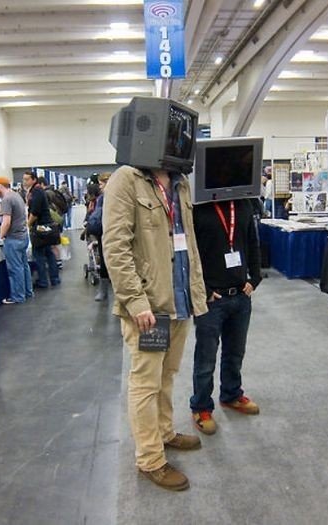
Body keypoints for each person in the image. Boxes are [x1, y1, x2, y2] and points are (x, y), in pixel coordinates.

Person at [103, 164, 208, 492]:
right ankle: (150, 458)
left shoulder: (180, 182)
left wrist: (196, 293)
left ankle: (164, 433)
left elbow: (188, 243)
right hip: (151, 308)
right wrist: (136, 302)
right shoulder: (127, 179)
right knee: (146, 383)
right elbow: (116, 247)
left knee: (167, 375)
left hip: (179, 302)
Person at [189, 198, 262, 435]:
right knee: (206, 358)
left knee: (235, 352)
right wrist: (203, 290)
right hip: (212, 299)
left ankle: (231, 394)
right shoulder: (197, 206)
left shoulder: (243, 204)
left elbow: (253, 241)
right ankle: (201, 406)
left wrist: (255, 277)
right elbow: (191, 253)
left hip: (241, 294)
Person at [0, 177, 33, 305]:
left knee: (15, 269)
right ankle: (28, 292)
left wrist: (0, 237)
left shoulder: (6, 199)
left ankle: (18, 296)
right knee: (23, 266)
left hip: (13, 239)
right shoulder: (17, 196)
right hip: (23, 236)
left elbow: (6, 222)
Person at [22, 171, 60, 288]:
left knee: (38, 253)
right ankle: (54, 278)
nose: (25, 182)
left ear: (34, 179)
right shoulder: (36, 191)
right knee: (48, 252)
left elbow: (35, 212)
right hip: (45, 225)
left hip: (40, 226)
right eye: (24, 179)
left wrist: (28, 224)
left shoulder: (37, 191)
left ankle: (43, 280)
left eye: (27, 179)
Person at [85, 172, 111, 302]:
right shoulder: (101, 198)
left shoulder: (119, 197)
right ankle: (103, 290)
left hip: (115, 233)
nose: (99, 187)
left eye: (101, 184)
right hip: (103, 232)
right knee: (104, 262)